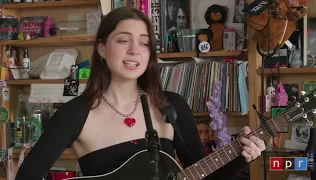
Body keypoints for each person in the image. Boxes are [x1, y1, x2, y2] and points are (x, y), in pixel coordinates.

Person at [15, 7, 265, 180]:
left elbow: (202, 175)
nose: (135, 50)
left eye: (144, 43)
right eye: (124, 40)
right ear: (102, 48)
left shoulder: (171, 106)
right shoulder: (76, 114)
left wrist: (242, 157)